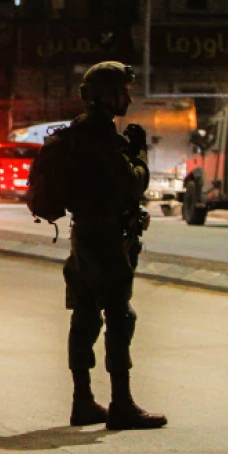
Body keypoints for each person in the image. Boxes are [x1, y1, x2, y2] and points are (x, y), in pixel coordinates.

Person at [61, 62, 166, 430]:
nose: (129, 98)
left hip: (84, 235)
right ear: (107, 97)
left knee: (85, 315)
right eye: (123, 92)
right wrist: (139, 153)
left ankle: (83, 402)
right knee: (120, 316)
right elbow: (131, 184)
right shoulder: (100, 136)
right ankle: (121, 404)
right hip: (104, 238)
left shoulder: (78, 130)